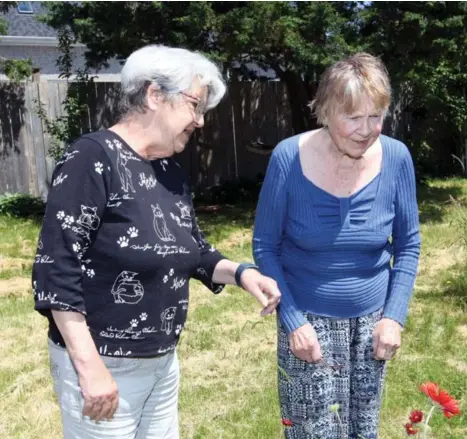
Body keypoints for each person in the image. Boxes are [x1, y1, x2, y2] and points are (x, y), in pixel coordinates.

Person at [32, 44, 281, 439]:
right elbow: (56, 269)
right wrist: (90, 368)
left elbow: (192, 250)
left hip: (161, 361)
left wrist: (243, 274)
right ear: (154, 95)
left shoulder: (168, 169)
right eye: (195, 106)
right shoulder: (92, 158)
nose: (199, 121)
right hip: (104, 363)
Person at [253, 53, 421, 439]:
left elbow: (408, 244)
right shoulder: (287, 158)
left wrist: (393, 317)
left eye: (375, 116)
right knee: (310, 430)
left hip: (372, 326)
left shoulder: (396, 159)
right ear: (326, 112)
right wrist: (293, 321)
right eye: (353, 118)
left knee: (363, 429)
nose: (366, 130)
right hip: (306, 320)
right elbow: (265, 246)